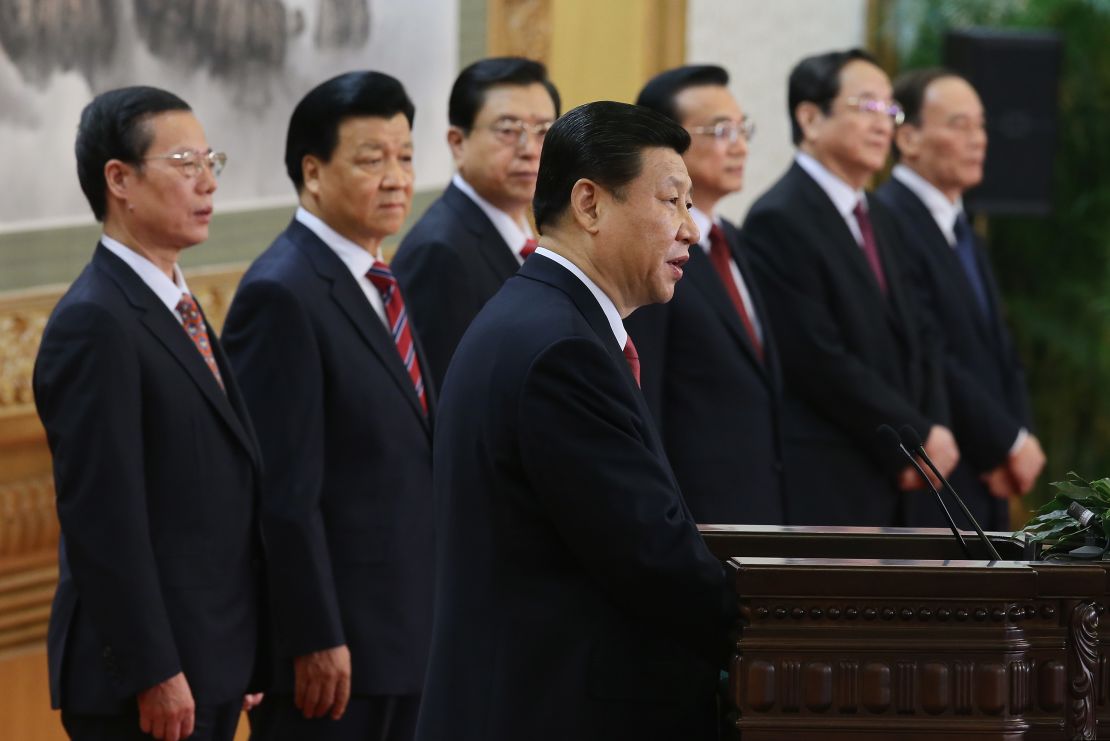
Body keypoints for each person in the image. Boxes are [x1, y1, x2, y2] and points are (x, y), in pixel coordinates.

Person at [415, 101, 736, 741]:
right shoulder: (562, 349)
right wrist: (784, 624)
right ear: (589, 204)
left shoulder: (537, 315)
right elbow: (650, 558)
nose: (691, 229)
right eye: (672, 201)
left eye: (690, 204)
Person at [34, 86, 264, 741]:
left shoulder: (174, 304)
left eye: (210, 159)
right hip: (147, 684)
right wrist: (153, 671)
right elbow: (104, 521)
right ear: (120, 180)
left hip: (208, 660)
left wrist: (242, 644)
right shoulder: (95, 321)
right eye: (186, 162)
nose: (208, 181)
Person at [222, 72, 434, 741]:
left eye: (405, 156)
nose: (397, 177)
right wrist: (313, 634)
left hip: (405, 633)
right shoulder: (282, 293)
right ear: (313, 172)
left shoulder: (379, 277)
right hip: (338, 654)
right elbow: (283, 491)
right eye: (373, 159)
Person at [742, 49, 958, 526]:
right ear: (811, 118)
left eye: (891, 109)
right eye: (867, 107)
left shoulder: (881, 215)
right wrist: (912, 437)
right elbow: (817, 358)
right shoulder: (778, 217)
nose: (885, 125)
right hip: (835, 472)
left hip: (911, 473)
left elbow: (922, 333)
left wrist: (934, 432)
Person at [876, 68, 1046, 530]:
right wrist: (1004, 443)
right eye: (959, 125)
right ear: (907, 138)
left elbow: (998, 348)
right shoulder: (887, 220)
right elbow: (931, 350)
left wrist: (1019, 436)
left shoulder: (963, 226)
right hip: (942, 474)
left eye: (981, 124)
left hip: (990, 474)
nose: (979, 139)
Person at [626, 64, 787, 524]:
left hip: (760, 510)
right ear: (666, 144)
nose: (738, 145)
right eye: (719, 130)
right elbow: (647, 395)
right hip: (696, 517)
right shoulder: (653, 254)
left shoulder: (735, 240)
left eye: (742, 128)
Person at [391, 56, 560, 389]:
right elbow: (448, 393)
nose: (530, 149)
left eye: (543, 131)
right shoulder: (439, 252)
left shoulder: (541, 230)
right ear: (458, 142)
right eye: (508, 131)